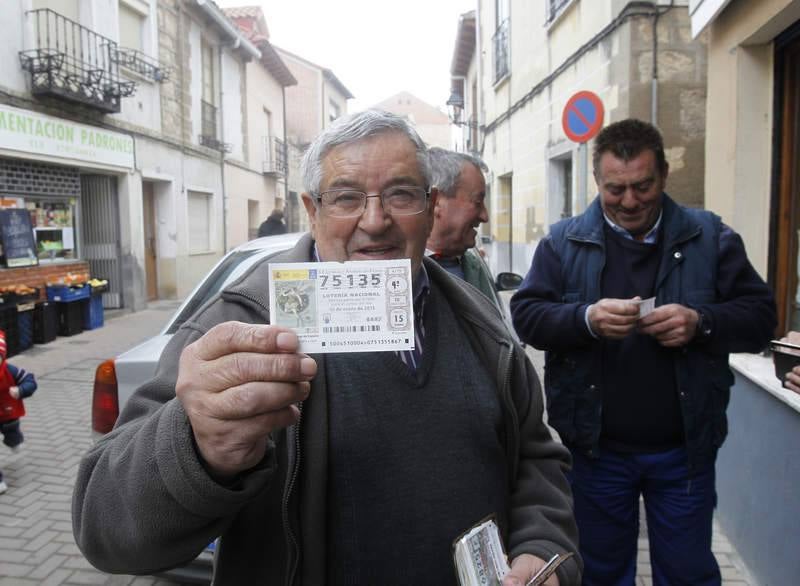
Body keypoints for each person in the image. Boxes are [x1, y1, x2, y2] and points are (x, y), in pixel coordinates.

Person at [72, 110, 582, 586]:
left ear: (430, 207)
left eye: (401, 195)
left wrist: (542, 543)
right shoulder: (241, 322)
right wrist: (198, 447)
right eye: (346, 198)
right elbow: (105, 529)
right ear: (312, 211)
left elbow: (536, 455)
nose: (375, 220)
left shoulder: (479, 322)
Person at [510, 118, 776, 586]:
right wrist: (585, 319)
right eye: (616, 189)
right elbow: (527, 317)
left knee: (688, 573)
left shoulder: (711, 238)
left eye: (642, 186)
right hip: (594, 450)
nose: (630, 201)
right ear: (597, 181)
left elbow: (760, 320)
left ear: (665, 175)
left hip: (684, 451)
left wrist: (702, 323)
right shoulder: (562, 241)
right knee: (599, 573)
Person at [426, 147, 495, 300]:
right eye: (478, 202)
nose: (485, 216)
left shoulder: (475, 266)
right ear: (436, 203)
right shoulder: (401, 271)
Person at [0, 330, 37, 494]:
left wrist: (21, 390)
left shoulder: (11, 370)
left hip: (9, 414)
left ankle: (14, 440)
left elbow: (30, 381)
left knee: (13, 436)